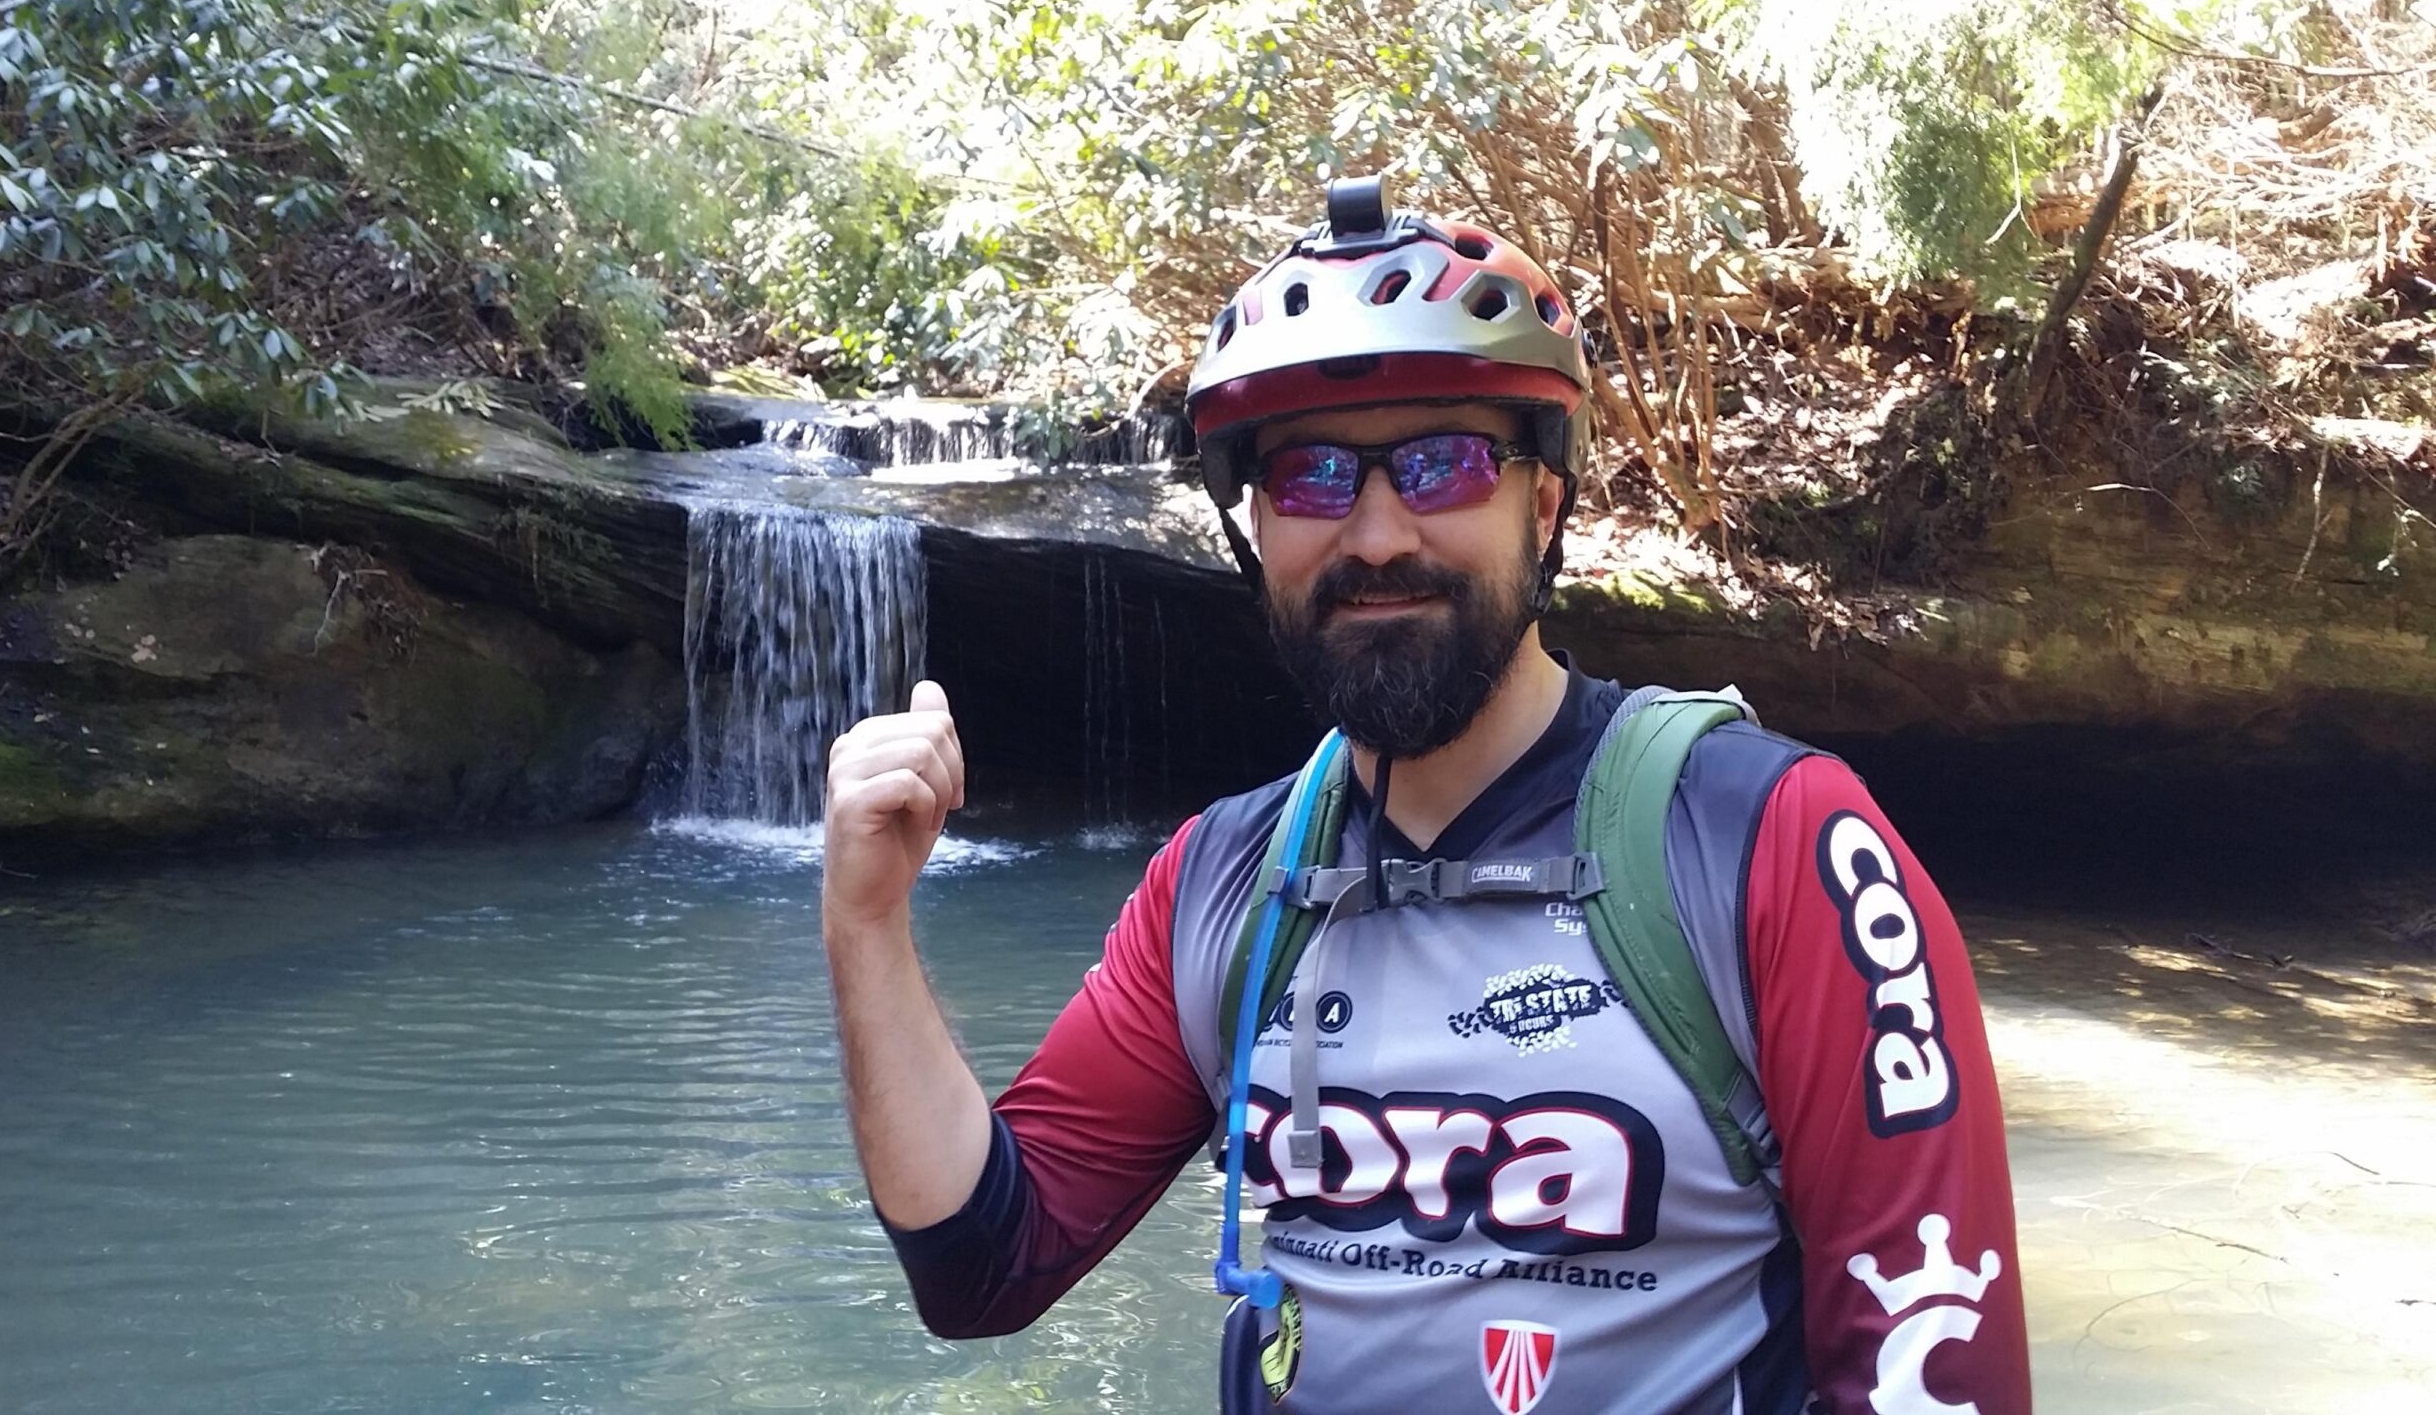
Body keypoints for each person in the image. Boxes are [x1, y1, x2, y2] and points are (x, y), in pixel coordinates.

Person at [818, 176, 2029, 1414]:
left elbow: (1936, 1367)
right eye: (1311, 478)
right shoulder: (1219, 882)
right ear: (1253, 532)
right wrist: (868, 928)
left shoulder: (1771, 841)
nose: (1379, 534)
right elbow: (983, 1265)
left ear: (1542, 506)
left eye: (1445, 465)